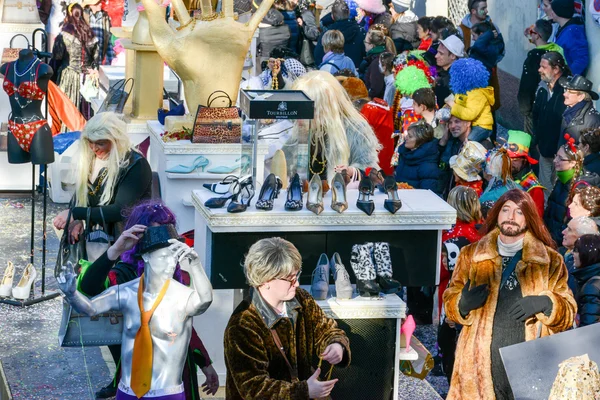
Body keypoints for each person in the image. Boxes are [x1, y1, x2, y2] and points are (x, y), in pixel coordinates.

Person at [78, 201, 219, 399]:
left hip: (175, 377)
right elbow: (89, 288)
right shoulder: (123, 276)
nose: (161, 239)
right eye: (152, 232)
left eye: (166, 230)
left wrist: (205, 362)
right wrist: (115, 249)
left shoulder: (179, 276)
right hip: (134, 378)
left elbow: (184, 321)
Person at [443, 189, 576, 400]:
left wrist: (546, 303)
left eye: (519, 212)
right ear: (496, 214)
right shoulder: (471, 255)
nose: (511, 217)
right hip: (477, 368)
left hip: (529, 367)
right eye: (505, 210)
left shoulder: (549, 260)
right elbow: (450, 301)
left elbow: (568, 311)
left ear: (529, 218)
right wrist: (461, 304)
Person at [224, 237, 351, 399]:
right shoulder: (242, 325)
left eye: (297, 275)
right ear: (266, 279)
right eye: (290, 279)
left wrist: (336, 344)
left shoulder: (301, 299)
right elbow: (253, 388)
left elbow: (327, 329)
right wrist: (304, 391)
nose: (297, 283)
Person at [53, 112, 152, 248]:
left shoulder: (136, 165)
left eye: (100, 143)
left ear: (116, 141)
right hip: (99, 240)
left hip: (127, 244)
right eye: (90, 142)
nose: (94, 148)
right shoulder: (91, 158)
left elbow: (120, 210)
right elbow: (82, 195)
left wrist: (76, 214)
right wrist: (76, 221)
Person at [287, 71, 381, 181]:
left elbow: (370, 168)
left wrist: (353, 172)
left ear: (324, 107)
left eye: (308, 108)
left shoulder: (355, 128)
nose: (301, 115)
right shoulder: (302, 128)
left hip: (341, 196)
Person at [438, 185, 483, 382]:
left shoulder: (451, 236)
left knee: (449, 344)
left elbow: (440, 272)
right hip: (474, 299)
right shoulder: (481, 232)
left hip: (451, 296)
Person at [532, 51, 570, 195]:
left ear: (556, 69)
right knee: (544, 188)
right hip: (544, 148)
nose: (539, 70)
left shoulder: (567, 91)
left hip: (560, 151)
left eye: (543, 67)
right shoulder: (542, 87)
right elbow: (536, 115)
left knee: (558, 190)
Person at [51, 3, 99, 114]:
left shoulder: (64, 35)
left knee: (69, 113)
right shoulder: (91, 35)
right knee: (85, 113)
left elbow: (56, 58)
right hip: (87, 78)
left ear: (68, 15)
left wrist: (51, 78)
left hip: (69, 77)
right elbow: (95, 60)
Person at [518, 19, 563, 134]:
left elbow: (527, 85)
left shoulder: (534, 58)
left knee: (531, 140)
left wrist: (525, 108)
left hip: (535, 105)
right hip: (553, 104)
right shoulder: (557, 51)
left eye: (532, 31)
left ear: (537, 35)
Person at [544, 140, 583, 246]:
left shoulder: (578, 187)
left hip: (559, 243)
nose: (555, 160)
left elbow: (571, 224)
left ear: (573, 163)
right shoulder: (562, 177)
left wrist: (553, 240)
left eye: (560, 158)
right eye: (556, 156)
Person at [447, 58, 495, 143]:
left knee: (469, 143)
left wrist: (453, 106)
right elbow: (458, 102)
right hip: (471, 123)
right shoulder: (464, 90)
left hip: (482, 126)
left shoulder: (477, 94)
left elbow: (470, 114)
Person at [394, 121, 443, 195]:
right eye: (407, 134)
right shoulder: (405, 154)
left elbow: (427, 195)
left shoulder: (428, 165)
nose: (406, 138)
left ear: (420, 141)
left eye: (410, 136)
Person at [314, 0, 366, 68]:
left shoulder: (327, 35)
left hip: (333, 74)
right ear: (349, 13)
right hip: (355, 73)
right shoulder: (361, 31)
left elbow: (318, 57)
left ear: (332, 16)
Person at [506, 130, 545, 217]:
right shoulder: (502, 175)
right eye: (507, 158)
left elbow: (536, 218)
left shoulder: (533, 188)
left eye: (515, 160)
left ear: (524, 161)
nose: (510, 162)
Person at [560, 216, 598, 293]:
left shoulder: (584, 265)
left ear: (583, 237)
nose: (563, 232)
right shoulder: (563, 254)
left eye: (569, 230)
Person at [551, 0, 589, 76]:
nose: (551, 12)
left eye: (553, 10)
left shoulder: (573, 31)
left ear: (559, 12)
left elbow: (581, 59)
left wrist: (567, 76)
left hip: (568, 81)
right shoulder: (563, 29)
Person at [559, 75, 600, 146]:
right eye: (566, 90)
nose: (564, 94)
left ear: (581, 97)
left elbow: (591, 151)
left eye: (570, 91)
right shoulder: (569, 110)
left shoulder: (593, 120)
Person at [439, 114, 471, 198]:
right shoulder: (452, 143)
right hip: (449, 196)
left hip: (467, 199)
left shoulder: (479, 145)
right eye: (450, 123)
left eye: (457, 122)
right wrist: (443, 141)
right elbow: (440, 166)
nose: (452, 126)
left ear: (468, 123)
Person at [360, 25, 396, 99]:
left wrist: (366, 97)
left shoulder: (377, 62)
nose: (364, 44)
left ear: (372, 45)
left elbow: (376, 89)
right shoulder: (378, 57)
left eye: (365, 42)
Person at [572, 234, 600, 327]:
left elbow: (589, 327)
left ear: (587, 254)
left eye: (576, 250)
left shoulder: (591, 287)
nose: (572, 253)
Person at [434, 34, 464, 109]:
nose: (436, 56)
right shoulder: (444, 72)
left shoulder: (453, 79)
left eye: (441, 53)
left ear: (453, 56)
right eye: (437, 52)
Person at [83, 0, 115, 66]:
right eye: (97, 3)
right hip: (85, 63)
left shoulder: (105, 17)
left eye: (101, 2)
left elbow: (108, 42)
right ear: (90, 5)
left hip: (99, 62)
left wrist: (112, 62)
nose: (100, 4)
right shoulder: (83, 17)